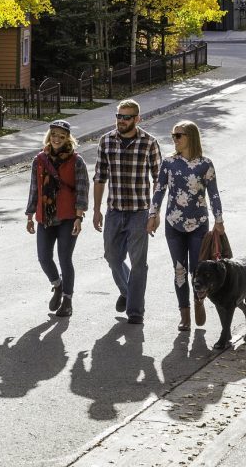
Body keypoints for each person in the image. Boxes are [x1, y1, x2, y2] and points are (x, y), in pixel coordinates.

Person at [147, 120, 225, 331]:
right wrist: (152, 215)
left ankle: (199, 302)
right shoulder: (169, 163)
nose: (174, 139)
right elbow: (159, 190)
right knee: (179, 270)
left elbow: (214, 193)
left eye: (178, 135)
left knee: (197, 270)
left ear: (191, 137)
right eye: (173, 135)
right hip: (174, 225)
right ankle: (185, 313)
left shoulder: (205, 164)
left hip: (198, 224)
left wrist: (219, 221)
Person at [93, 99, 162, 324]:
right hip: (114, 210)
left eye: (126, 117)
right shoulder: (106, 141)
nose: (121, 121)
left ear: (137, 119)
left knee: (138, 263)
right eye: (119, 116)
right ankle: (126, 291)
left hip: (140, 212)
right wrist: (96, 209)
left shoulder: (149, 143)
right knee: (112, 257)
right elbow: (100, 177)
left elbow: (159, 181)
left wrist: (155, 212)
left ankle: (135, 311)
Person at [26, 119, 89, 318]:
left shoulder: (76, 161)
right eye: (53, 135)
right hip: (45, 217)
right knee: (44, 257)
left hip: (68, 217)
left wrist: (79, 217)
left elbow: (82, 190)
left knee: (64, 258)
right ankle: (58, 285)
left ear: (67, 139)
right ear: (49, 136)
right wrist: (29, 215)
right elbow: (34, 188)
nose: (56, 139)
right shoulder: (39, 159)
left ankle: (68, 301)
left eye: (61, 137)